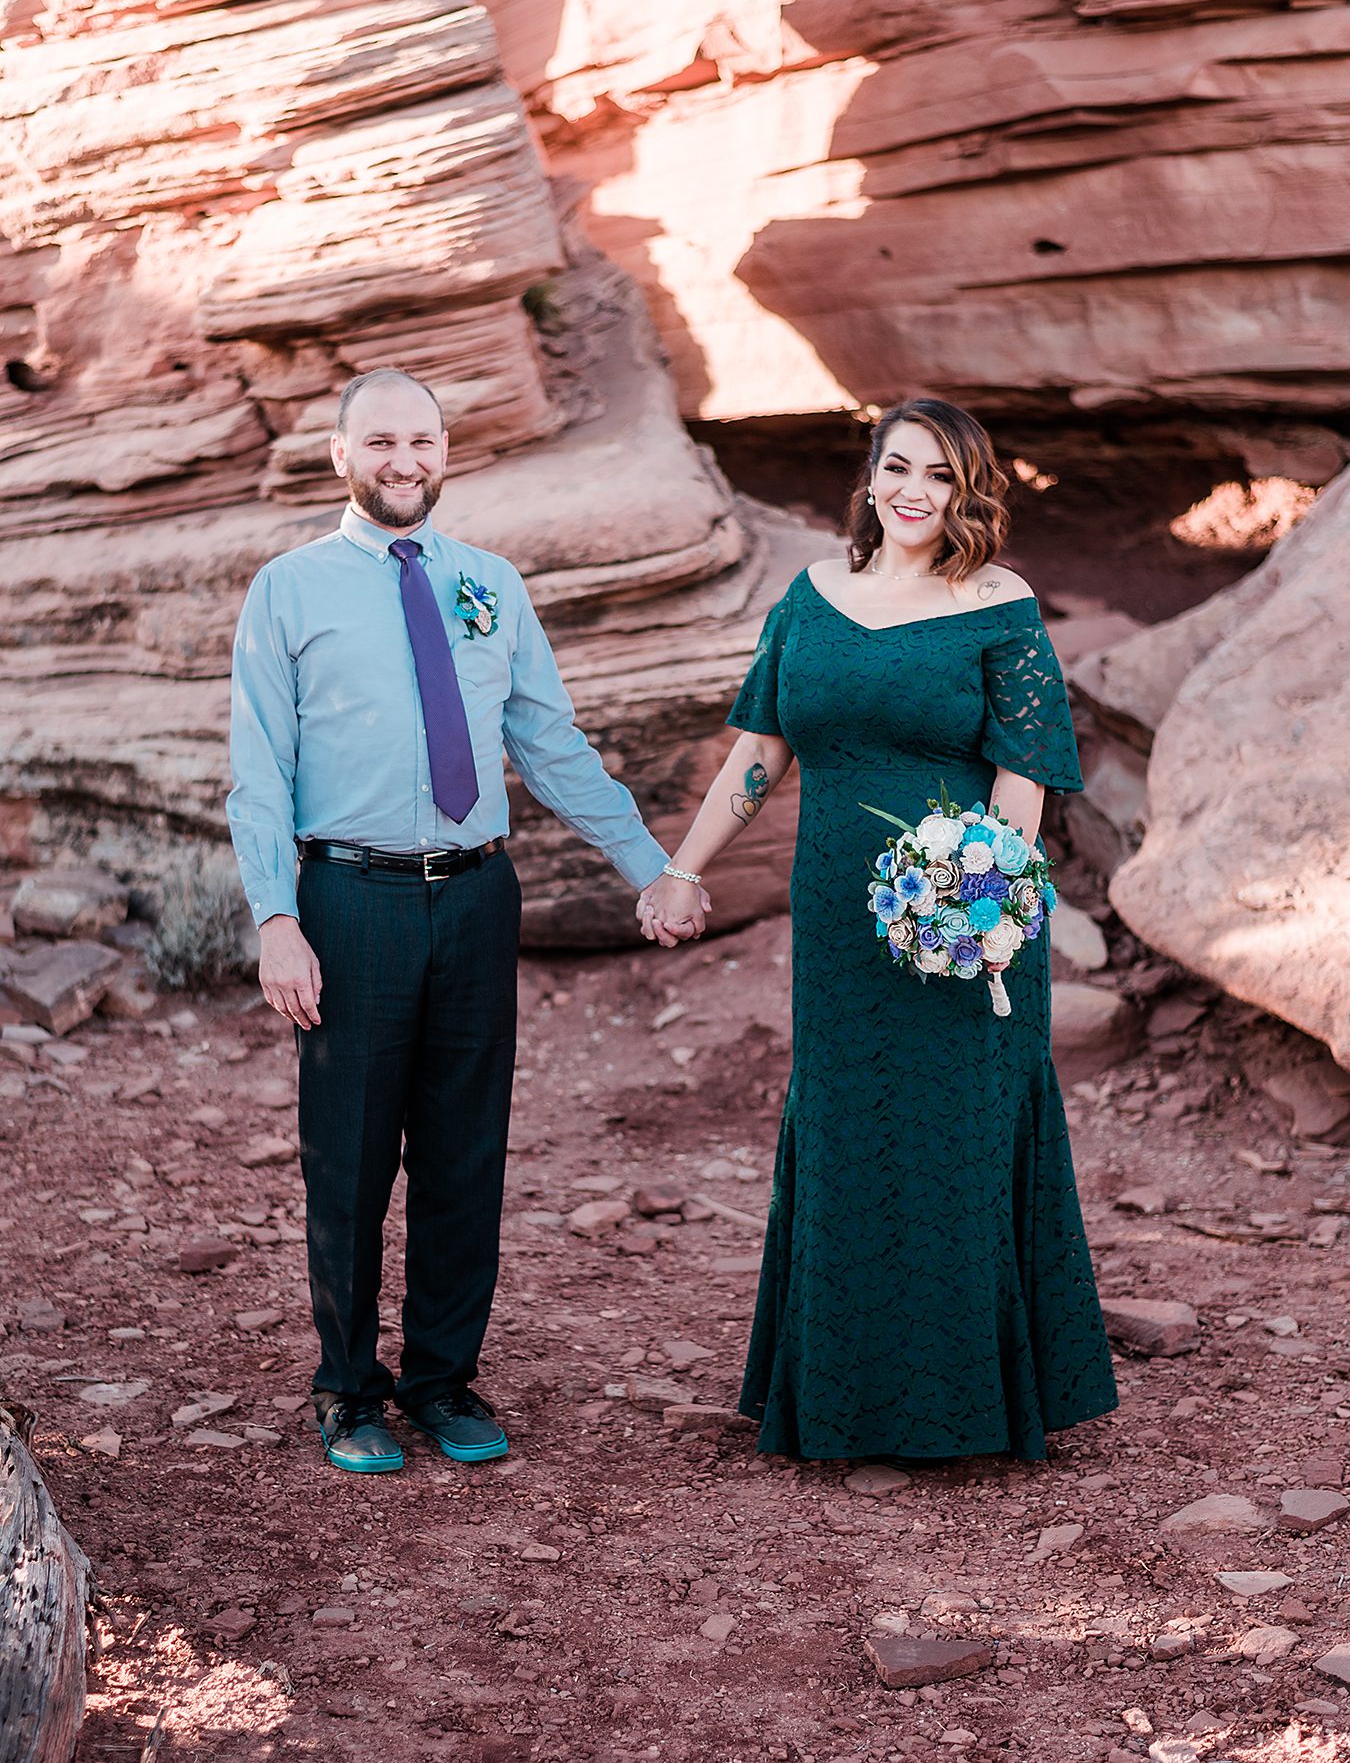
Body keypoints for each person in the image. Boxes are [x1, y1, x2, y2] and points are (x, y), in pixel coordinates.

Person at [228, 366, 707, 1475]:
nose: (406, 462)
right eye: (383, 442)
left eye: (426, 442)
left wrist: (652, 865)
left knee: (463, 1152)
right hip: (349, 899)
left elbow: (551, 743)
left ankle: (443, 1380)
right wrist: (275, 918)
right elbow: (258, 773)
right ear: (342, 456)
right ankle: (347, 1389)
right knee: (346, 1159)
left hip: (480, 898)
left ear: (448, 453)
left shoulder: (490, 582)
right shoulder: (287, 590)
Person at [639, 398, 1117, 1462]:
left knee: (959, 1143)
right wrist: (682, 869)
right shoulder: (807, 603)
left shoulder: (1001, 606)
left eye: (940, 476)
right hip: (840, 930)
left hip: (965, 926)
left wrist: (979, 906)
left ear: (968, 493)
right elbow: (759, 758)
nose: (914, 491)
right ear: (868, 477)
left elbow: (1026, 781)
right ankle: (847, 1401)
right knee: (853, 1140)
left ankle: (968, 1410)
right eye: (898, 467)